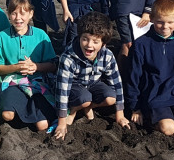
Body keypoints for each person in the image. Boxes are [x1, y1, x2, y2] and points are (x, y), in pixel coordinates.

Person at [127, 0, 174, 136]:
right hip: (155, 96)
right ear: (151, 19)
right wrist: (135, 107)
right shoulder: (141, 44)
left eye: (170, 22)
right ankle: (153, 120)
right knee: (168, 129)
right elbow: (134, 77)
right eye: (160, 22)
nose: (165, 26)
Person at [53, 12, 130, 140]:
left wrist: (120, 115)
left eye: (95, 41)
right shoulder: (68, 58)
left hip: (93, 83)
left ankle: (87, 107)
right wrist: (61, 122)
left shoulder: (108, 56)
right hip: (74, 86)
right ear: (79, 37)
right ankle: (73, 110)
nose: (89, 45)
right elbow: (62, 90)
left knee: (111, 97)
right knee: (84, 98)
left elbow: (116, 83)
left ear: (103, 43)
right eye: (85, 39)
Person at [0, 0, 57, 131]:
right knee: (7, 115)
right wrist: (14, 67)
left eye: (23, 13)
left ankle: (30, 112)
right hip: (12, 82)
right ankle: (20, 113)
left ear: (31, 14)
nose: (18, 18)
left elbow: (53, 65)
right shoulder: (2, 36)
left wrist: (36, 66)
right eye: (14, 14)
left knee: (42, 125)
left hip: (38, 82)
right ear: (9, 15)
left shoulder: (41, 35)